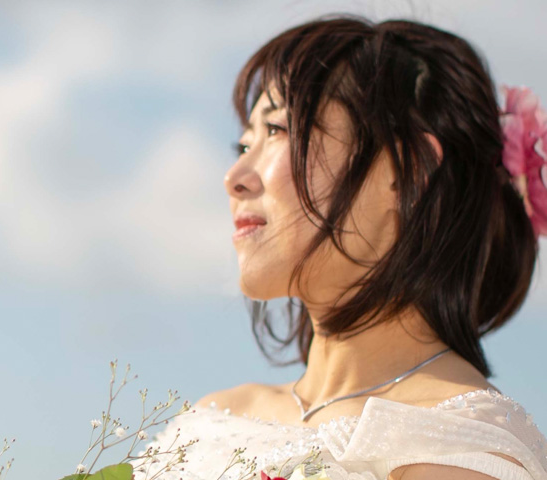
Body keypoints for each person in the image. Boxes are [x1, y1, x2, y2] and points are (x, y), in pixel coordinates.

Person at [138, 13, 547, 480]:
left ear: (408, 170)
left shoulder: (457, 451)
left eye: (277, 131)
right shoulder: (216, 417)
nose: (234, 178)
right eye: (243, 145)